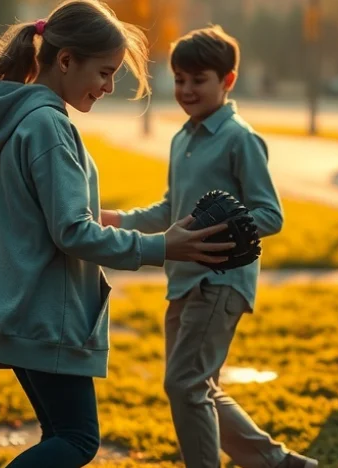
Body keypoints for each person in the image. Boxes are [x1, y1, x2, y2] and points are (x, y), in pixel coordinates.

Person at [0, 1, 235, 466]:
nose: (109, 87)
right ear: (66, 61)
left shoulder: (12, 117)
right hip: (43, 313)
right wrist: (163, 245)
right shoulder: (47, 126)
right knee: (77, 439)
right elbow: (73, 233)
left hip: (17, 307)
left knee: (56, 433)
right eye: (105, 73)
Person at [101, 25, 318, 468]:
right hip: (181, 281)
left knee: (185, 385)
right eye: (180, 79)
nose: (186, 89)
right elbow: (171, 208)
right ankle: (279, 463)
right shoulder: (183, 136)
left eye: (198, 80)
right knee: (198, 387)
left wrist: (215, 233)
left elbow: (270, 213)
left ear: (227, 81)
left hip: (220, 281)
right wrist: (121, 219)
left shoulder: (240, 138)